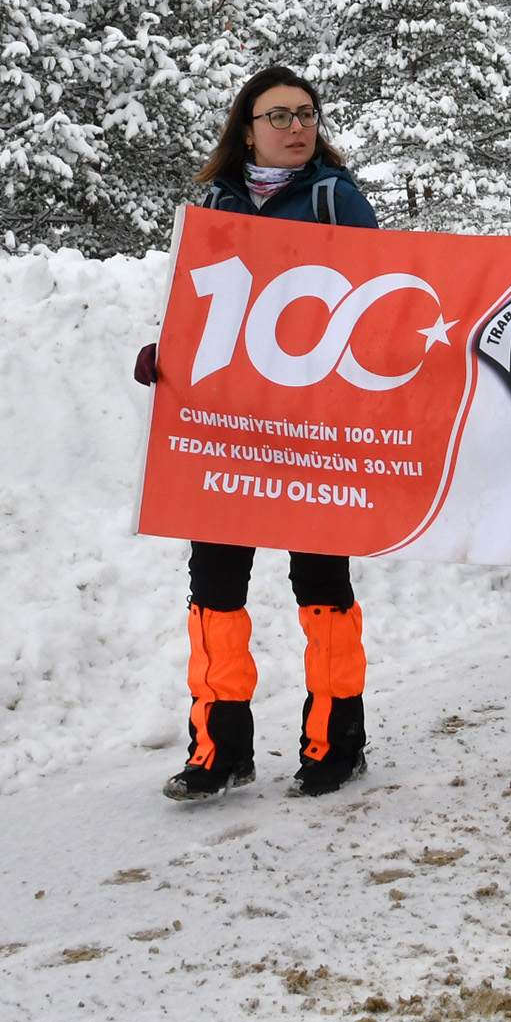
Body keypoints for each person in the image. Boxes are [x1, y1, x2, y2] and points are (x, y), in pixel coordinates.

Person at [157, 67, 384, 804]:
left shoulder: (334, 198)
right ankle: (218, 750)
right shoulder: (215, 205)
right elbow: (197, 310)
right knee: (213, 589)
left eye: (306, 114)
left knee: (321, 586)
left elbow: (377, 306)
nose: (296, 126)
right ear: (245, 130)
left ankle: (335, 744)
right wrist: (162, 354)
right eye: (278, 114)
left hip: (316, 432)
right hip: (231, 430)